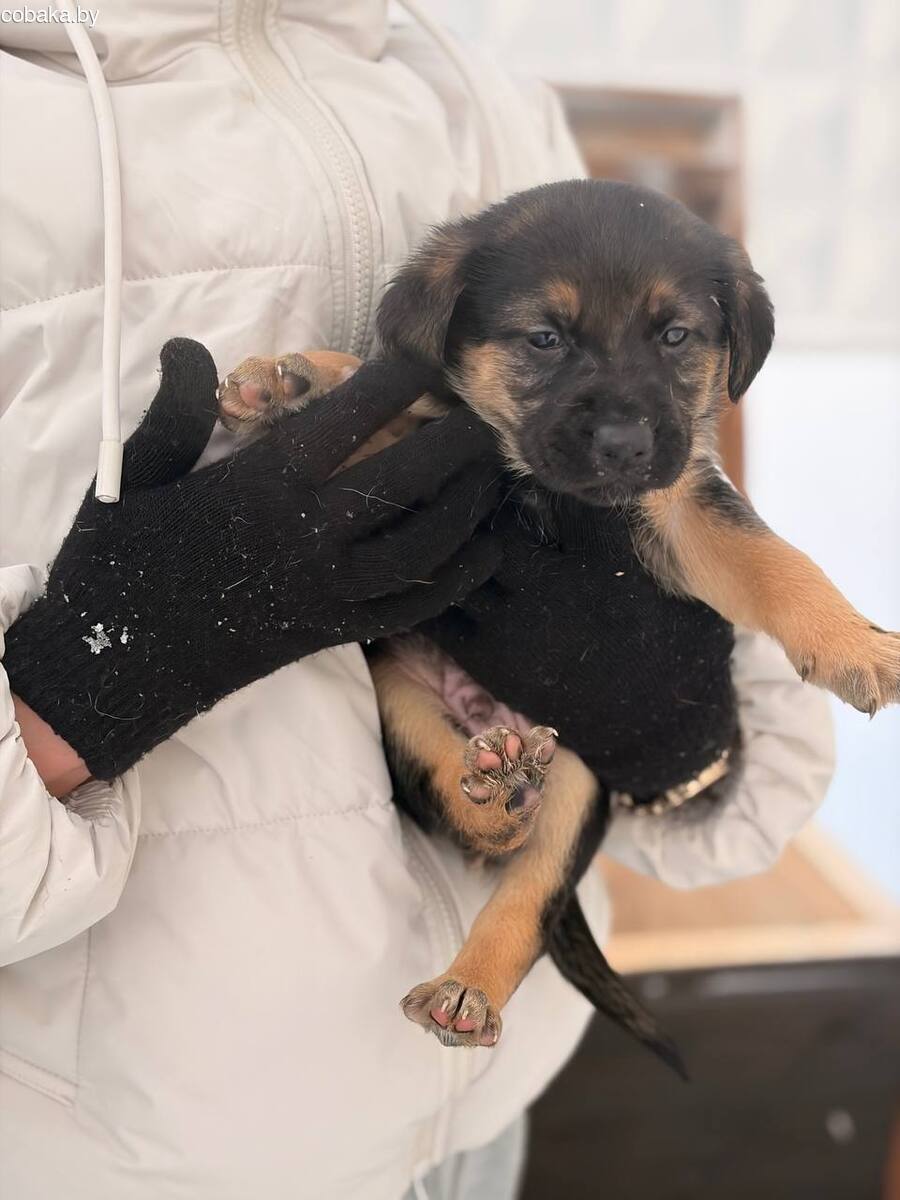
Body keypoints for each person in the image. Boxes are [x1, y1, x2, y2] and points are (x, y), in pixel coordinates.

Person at [0, 3, 834, 1199]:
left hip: (481, 1114)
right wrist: (81, 689)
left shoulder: (468, 86)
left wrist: (694, 735)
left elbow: (680, 499)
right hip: (120, 1158)